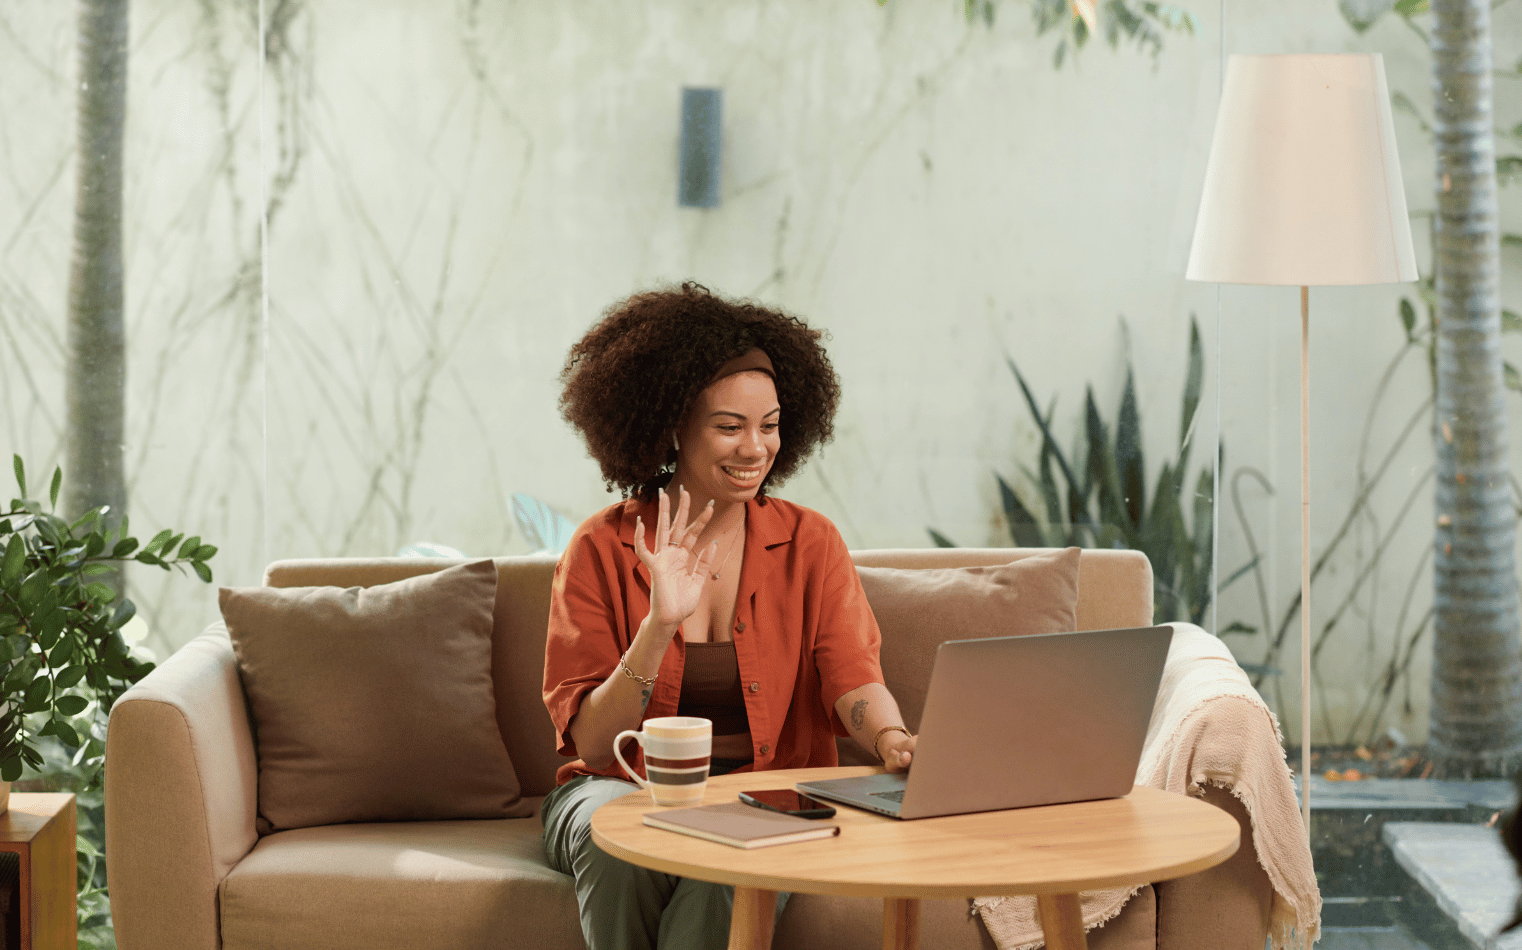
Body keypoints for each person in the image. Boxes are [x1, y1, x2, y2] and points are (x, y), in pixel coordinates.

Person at [540, 282, 916, 950]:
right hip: (615, 791)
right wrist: (658, 627)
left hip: (763, 798)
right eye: (729, 426)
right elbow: (596, 749)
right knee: (617, 845)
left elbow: (852, 677)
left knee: (733, 863)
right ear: (670, 427)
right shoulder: (601, 547)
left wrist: (891, 738)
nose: (755, 449)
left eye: (769, 426)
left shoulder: (811, 542)